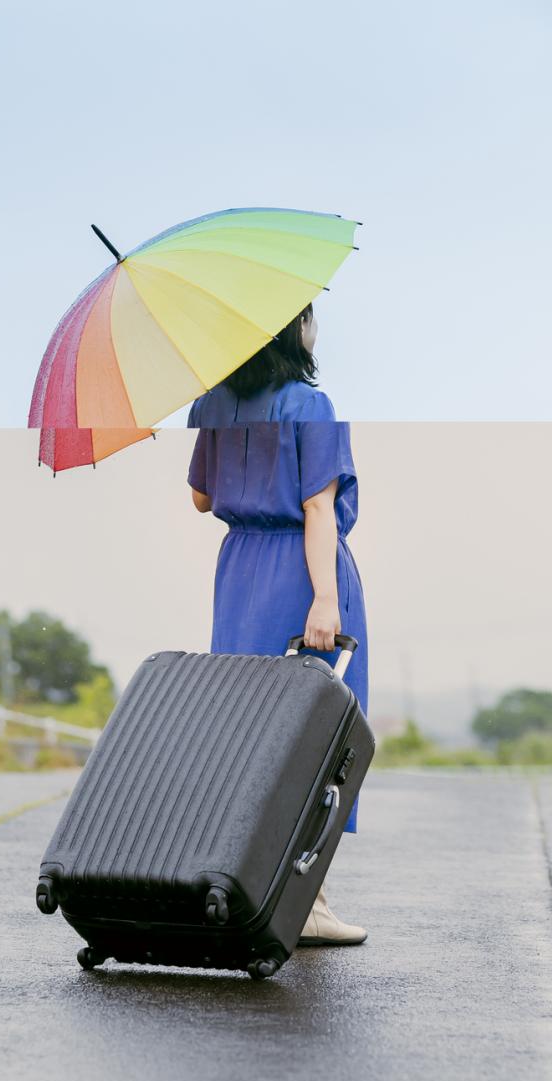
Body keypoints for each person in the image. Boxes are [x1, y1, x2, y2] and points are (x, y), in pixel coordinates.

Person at [186, 300, 369, 947]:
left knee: (243, 732)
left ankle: (241, 886)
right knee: (317, 737)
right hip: (299, 567)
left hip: (237, 572)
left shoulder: (211, 405)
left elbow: (202, 497)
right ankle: (306, 900)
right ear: (293, 329)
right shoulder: (309, 405)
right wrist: (325, 599)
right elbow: (317, 508)